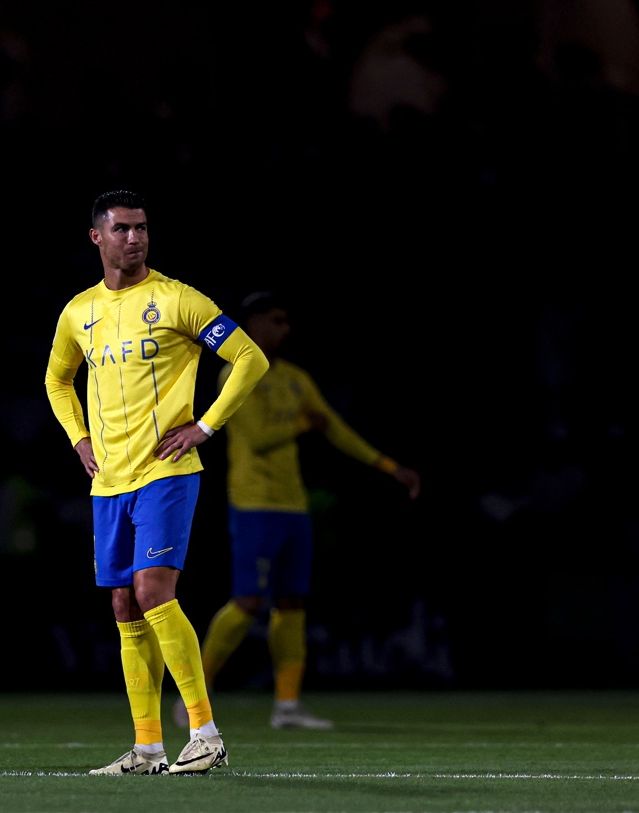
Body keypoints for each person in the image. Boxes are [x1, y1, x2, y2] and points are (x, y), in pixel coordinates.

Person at [44, 190, 269, 775]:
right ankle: (147, 748)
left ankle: (205, 733)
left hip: (167, 470)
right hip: (109, 479)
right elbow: (56, 382)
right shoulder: (78, 313)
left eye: (142, 228)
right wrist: (79, 439)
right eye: (122, 229)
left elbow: (249, 359)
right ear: (97, 237)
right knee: (123, 604)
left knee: (152, 592)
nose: (135, 238)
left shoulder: (178, 300)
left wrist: (207, 425)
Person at [173, 290, 421, 730]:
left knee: (291, 604)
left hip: (292, 506)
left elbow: (337, 430)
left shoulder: (295, 378)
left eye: (287, 321)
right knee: (248, 601)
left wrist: (389, 466)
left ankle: (287, 707)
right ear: (253, 324)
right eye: (276, 320)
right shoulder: (235, 372)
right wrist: (305, 423)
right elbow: (259, 436)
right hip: (253, 505)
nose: (284, 329)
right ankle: (193, 692)